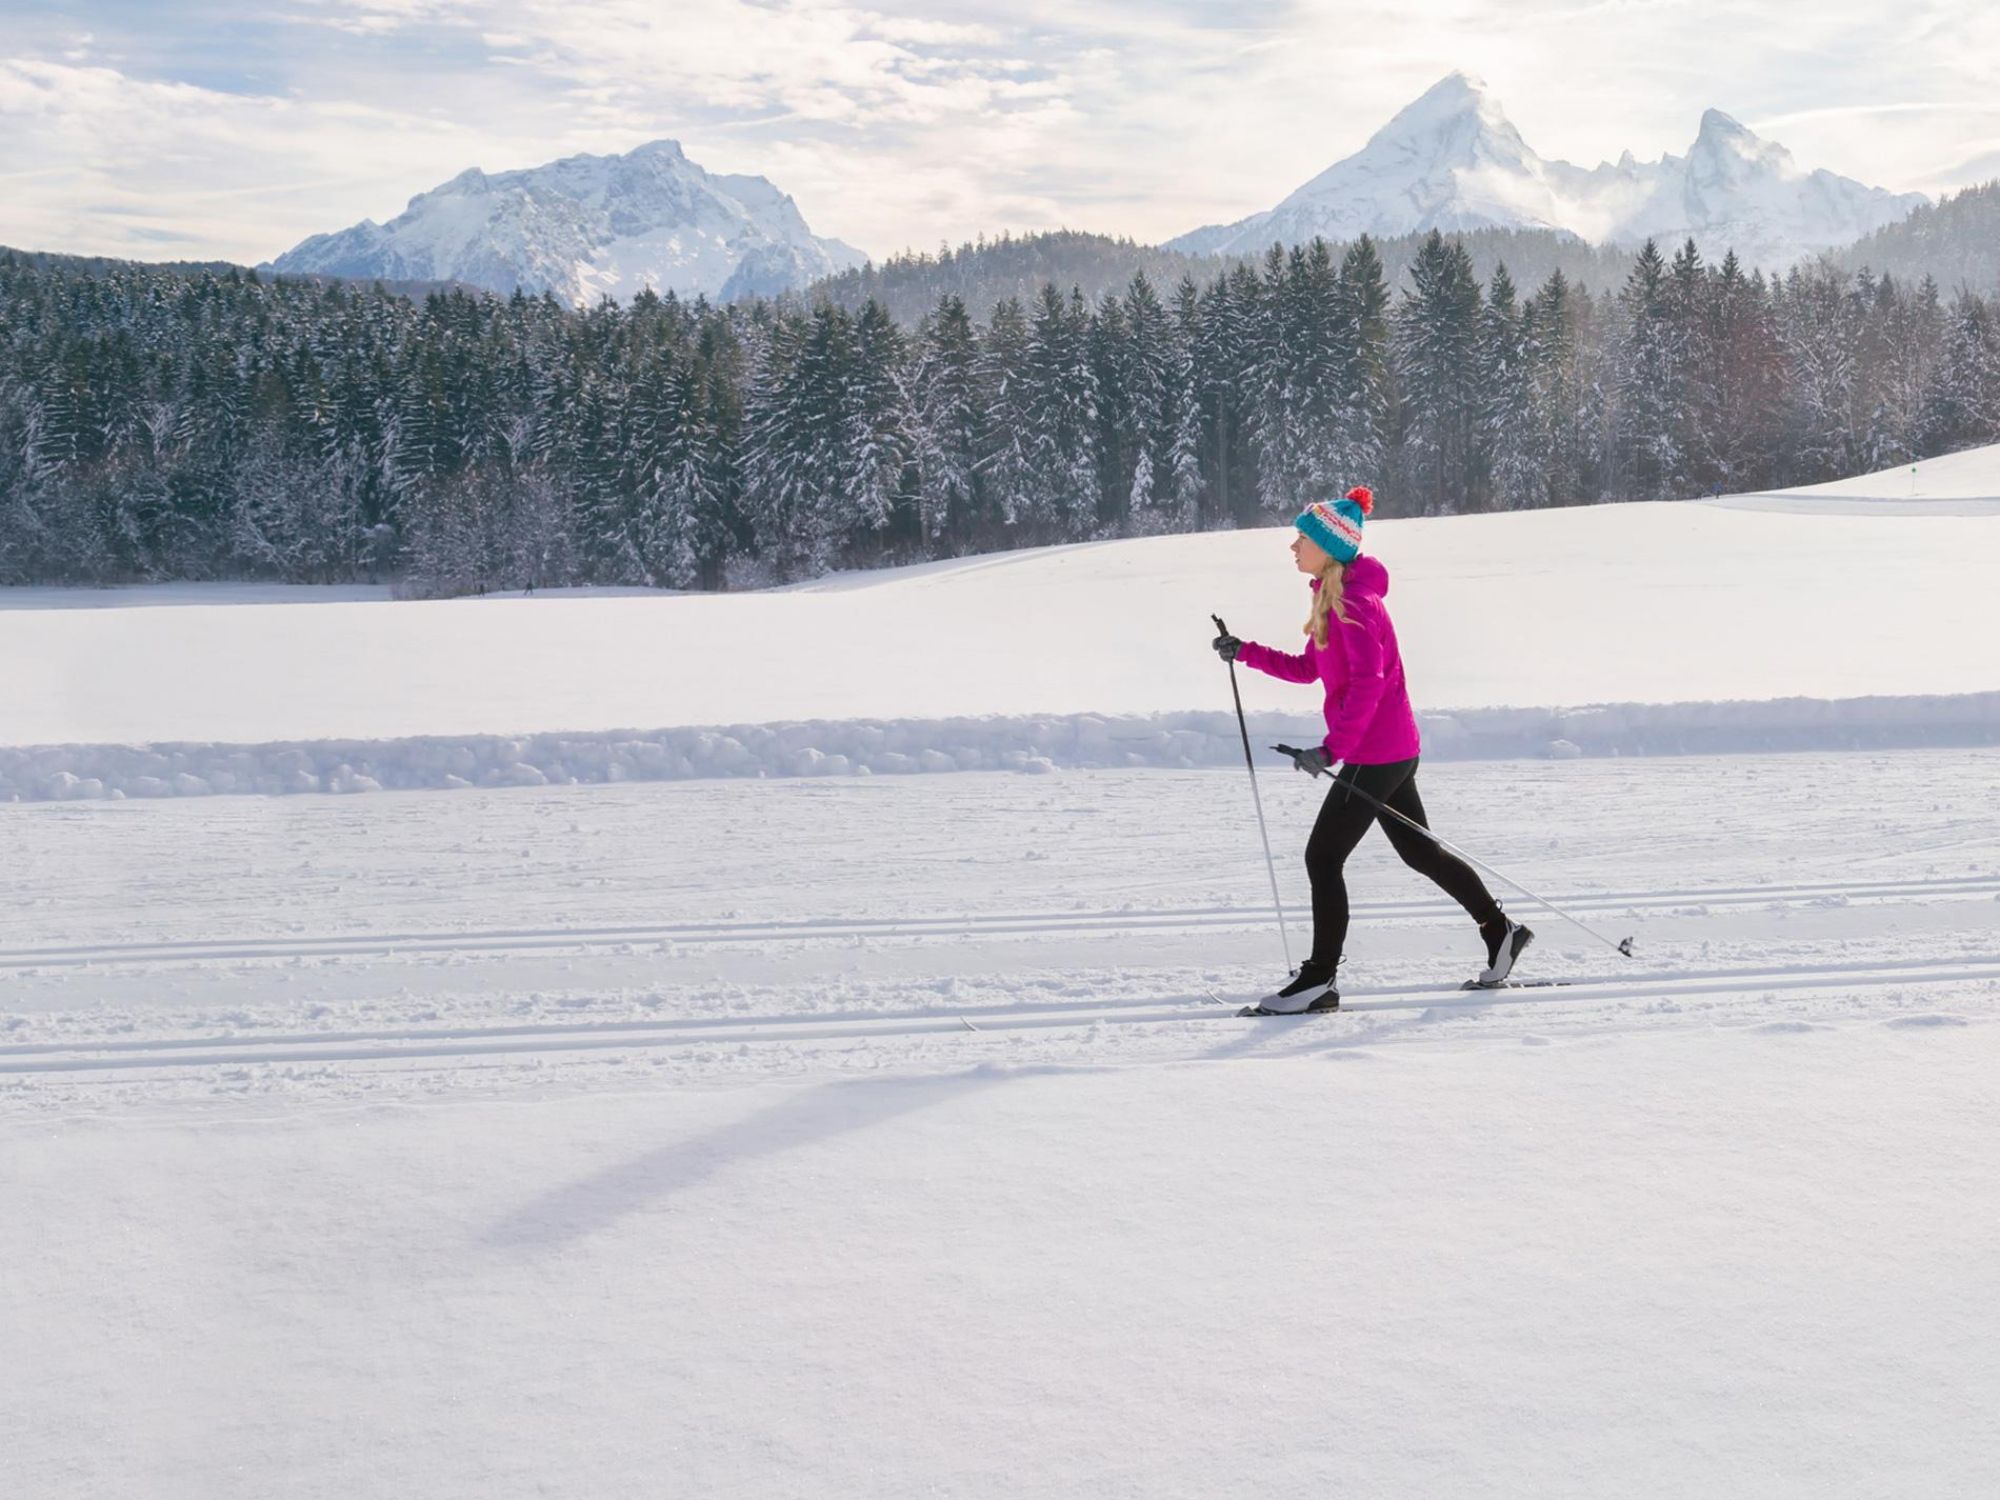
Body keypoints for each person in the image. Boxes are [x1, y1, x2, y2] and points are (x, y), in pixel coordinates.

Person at [1212, 486, 1531, 1014]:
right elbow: (1309, 667)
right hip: (1390, 747)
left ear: (1328, 548)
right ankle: (1501, 932)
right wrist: (1245, 652)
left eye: (1301, 540)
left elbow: (1369, 684)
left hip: (1375, 752)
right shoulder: (1335, 599)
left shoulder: (1356, 605)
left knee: (1323, 857)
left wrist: (1332, 749)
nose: (1293, 548)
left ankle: (1318, 981)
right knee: (1419, 851)